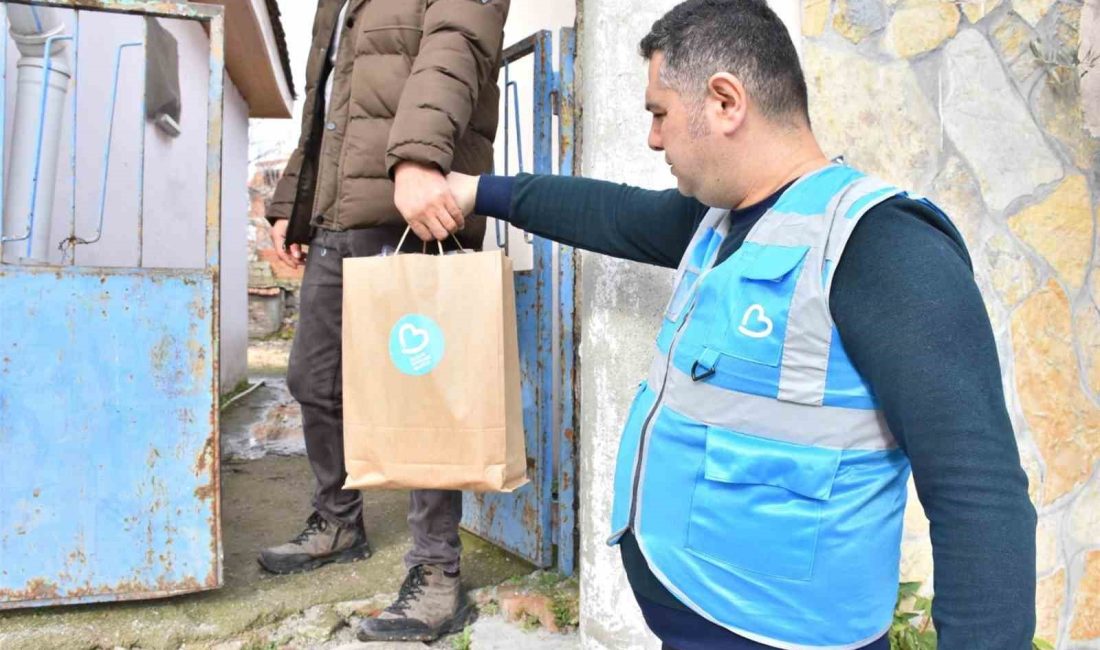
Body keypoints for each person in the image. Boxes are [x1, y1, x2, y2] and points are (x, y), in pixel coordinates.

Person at [434, 1, 1038, 648]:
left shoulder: (882, 247)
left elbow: (979, 497)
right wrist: (471, 191)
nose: (654, 139)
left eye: (660, 113)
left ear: (725, 102)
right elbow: (606, 211)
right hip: (691, 613)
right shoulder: (717, 221)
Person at [260, 0, 509, 642]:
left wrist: (420, 159)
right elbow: (328, 103)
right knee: (313, 380)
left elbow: (455, 49)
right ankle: (337, 520)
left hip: (414, 204)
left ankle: (436, 571)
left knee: (424, 399)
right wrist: (295, 199)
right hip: (341, 212)